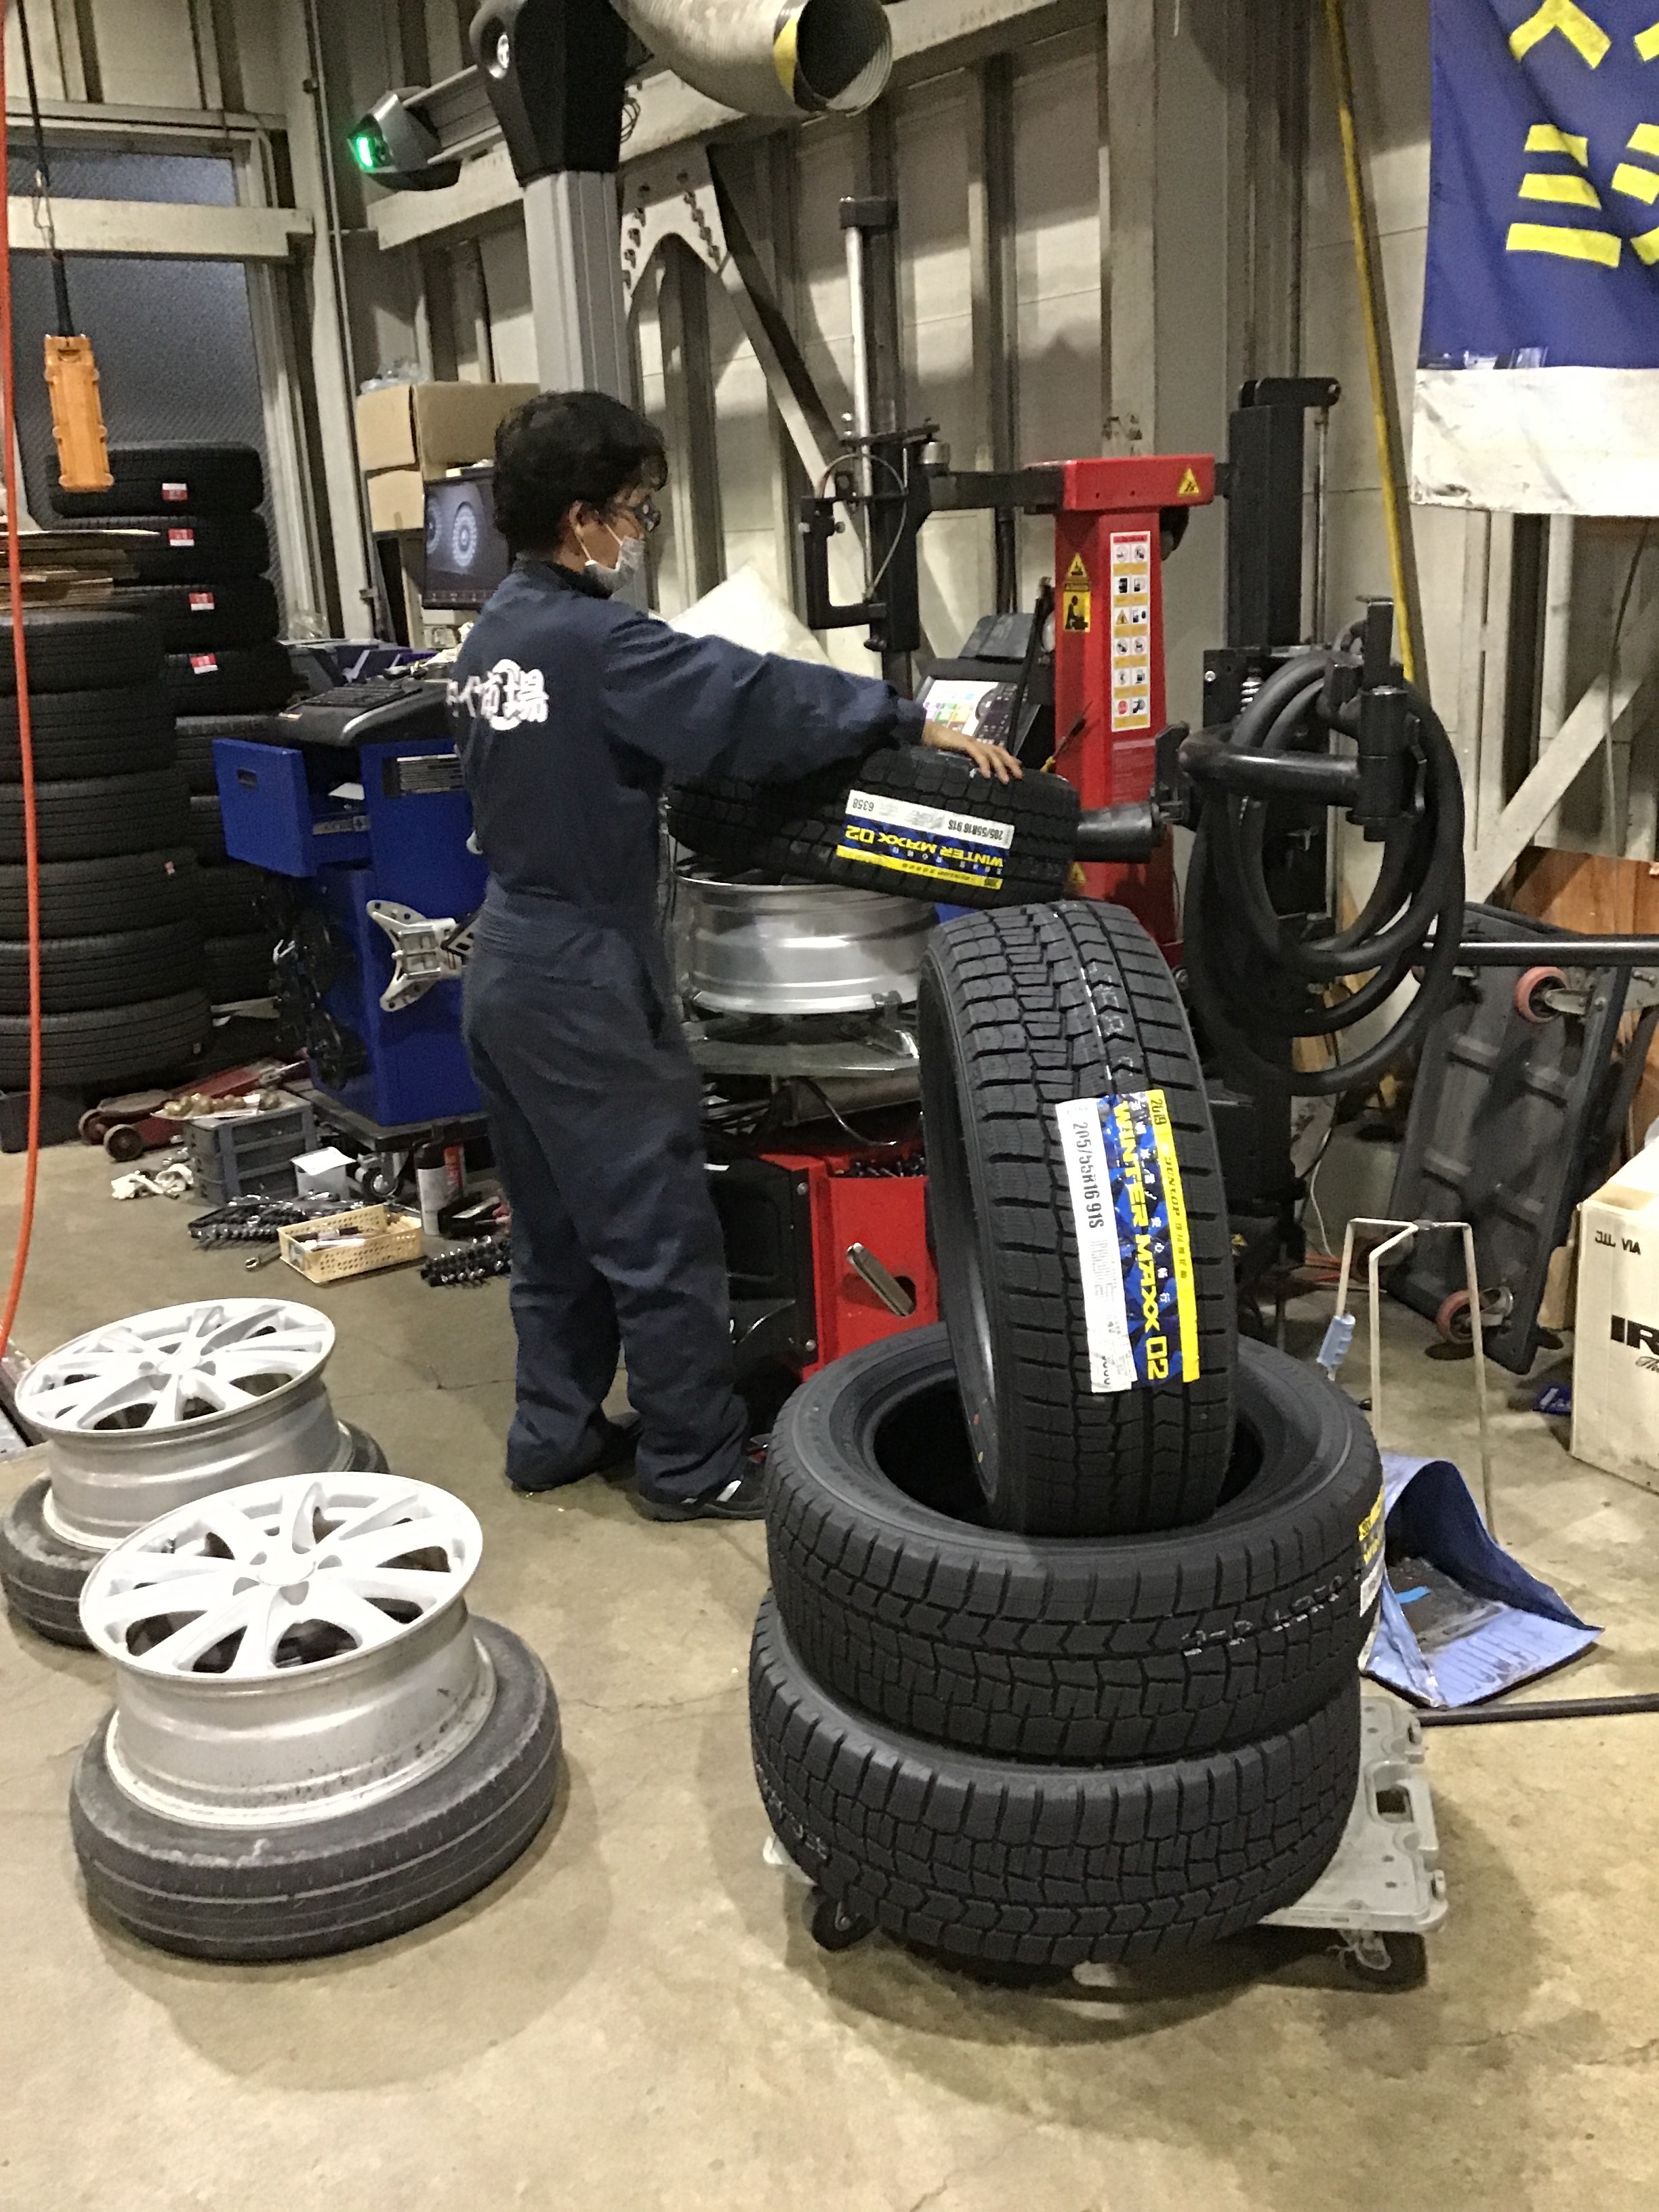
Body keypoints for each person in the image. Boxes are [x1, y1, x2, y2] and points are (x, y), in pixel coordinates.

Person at [450, 388, 1021, 1522]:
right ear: (579, 519)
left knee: (555, 1235)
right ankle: (693, 1465)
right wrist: (905, 719)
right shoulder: (598, 642)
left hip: (504, 962)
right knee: (659, 1233)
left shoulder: (496, 635)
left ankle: (552, 1436)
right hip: (583, 978)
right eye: (630, 509)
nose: (636, 530)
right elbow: (746, 698)